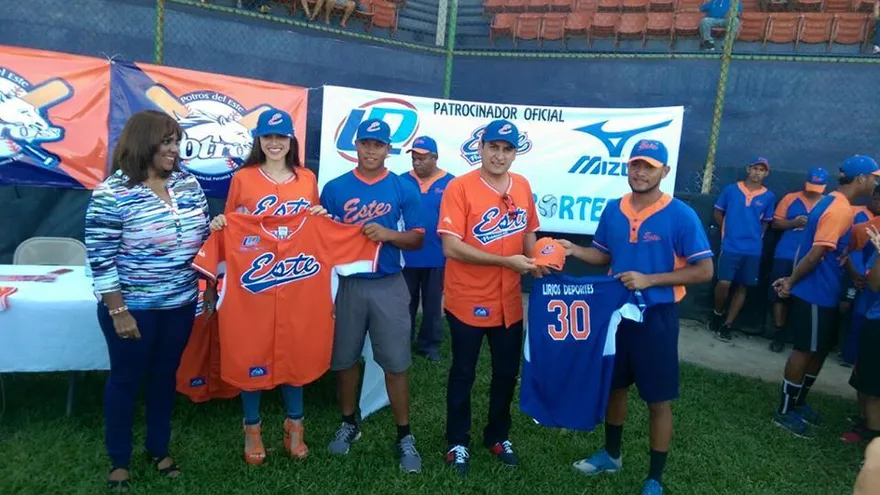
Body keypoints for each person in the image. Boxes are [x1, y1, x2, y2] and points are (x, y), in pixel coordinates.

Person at [558, 139, 714, 495]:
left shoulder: (680, 214)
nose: (641, 172)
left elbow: (704, 270)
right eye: (636, 165)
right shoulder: (614, 209)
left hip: (656, 317)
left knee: (658, 398)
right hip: (616, 315)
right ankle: (611, 455)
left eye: (649, 166)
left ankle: (654, 478)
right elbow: (603, 255)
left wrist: (650, 279)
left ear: (665, 171)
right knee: (615, 387)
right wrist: (574, 250)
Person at [84, 110, 210, 490]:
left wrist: (210, 279)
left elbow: (205, 238)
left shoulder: (188, 184)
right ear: (144, 142)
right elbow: (101, 259)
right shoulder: (112, 193)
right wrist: (118, 311)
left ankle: (158, 448)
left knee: (164, 377)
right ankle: (119, 460)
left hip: (181, 304)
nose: (175, 149)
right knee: (125, 380)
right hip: (133, 308)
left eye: (177, 142)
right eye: (167, 142)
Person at [203, 108, 326, 465]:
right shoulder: (243, 178)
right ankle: (252, 429)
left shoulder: (307, 178)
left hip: (296, 277)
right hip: (254, 280)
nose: (274, 143)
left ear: (291, 140)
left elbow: (314, 229)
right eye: (268, 137)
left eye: (281, 137)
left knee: (295, 348)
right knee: (251, 347)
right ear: (258, 140)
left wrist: (319, 217)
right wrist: (222, 224)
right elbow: (232, 225)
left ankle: (295, 426)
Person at [436, 119, 544, 477]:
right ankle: (457, 441)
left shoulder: (522, 185)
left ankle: (497, 435)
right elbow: (451, 246)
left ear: (515, 153)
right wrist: (506, 261)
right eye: (493, 147)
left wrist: (535, 260)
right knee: (463, 372)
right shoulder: (460, 187)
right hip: (468, 298)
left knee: (506, 373)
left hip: (508, 301)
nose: (499, 155)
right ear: (480, 148)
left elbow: (529, 232)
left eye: (507, 149)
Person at [320, 118, 425, 473]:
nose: (370, 150)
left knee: (396, 363)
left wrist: (389, 235)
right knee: (345, 358)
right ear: (356, 145)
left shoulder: (402, 187)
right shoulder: (334, 188)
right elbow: (322, 237)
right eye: (365, 143)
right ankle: (348, 422)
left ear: (388, 149)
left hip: (388, 282)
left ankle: (404, 434)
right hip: (347, 283)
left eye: (378, 144)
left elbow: (418, 238)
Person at [772, 155, 880, 439]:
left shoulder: (839, 204)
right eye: (874, 177)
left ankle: (799, 403)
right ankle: (784, 410)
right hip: (815, 292)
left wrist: (853, 271)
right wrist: (791, 281)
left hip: (827, 292)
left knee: (818, 350)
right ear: (861, 179)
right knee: (805, 349)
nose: (875, 183)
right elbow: (816, 253)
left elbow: (835, 250)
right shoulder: (838, 209)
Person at [400, 136, 454, 363]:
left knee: (432, 305)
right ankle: (402, 342)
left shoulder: (451, 183)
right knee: (404, 302)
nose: (416, 162)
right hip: (406, 254)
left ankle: (429, 345)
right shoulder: (402, 181)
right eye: (414, 158)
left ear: (435, 158)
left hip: (436, 255)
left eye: (421, 158)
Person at [711, 157, 776, 342]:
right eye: (755, 168)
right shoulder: (731, 190)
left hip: (753, 249)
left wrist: (757, 236)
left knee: (743, 286)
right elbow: (718, 212)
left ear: (766, 173)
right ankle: (717, 313)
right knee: (724, 283)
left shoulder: (769, 196)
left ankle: (727, 325)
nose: (757, 173)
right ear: (748, 169)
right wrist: (728, 230)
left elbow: (766, 221)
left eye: (761, 170)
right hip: (730, 245)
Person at [767, 168, 828, 353]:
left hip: (810, 256)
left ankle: (799, 336)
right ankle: (779, 332)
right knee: (778, 292)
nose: (813, 191)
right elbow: (775, 222)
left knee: (803, 295)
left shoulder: (828, 203)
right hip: (786, 252)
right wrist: (793, 223)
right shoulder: (791, 198)